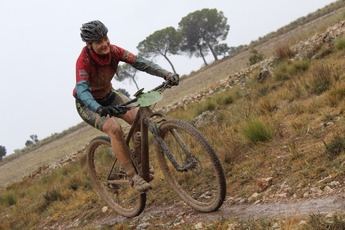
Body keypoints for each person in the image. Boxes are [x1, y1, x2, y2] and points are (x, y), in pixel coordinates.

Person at [73, 20, 179, 192]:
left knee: (140, 119)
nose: (105, 43)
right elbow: (82, 90)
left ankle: (137, 158)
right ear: (89, 45)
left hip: (109, 96)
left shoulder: (114, 51)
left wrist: (166, 74)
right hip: (88, 105)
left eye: (105, 38)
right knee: (114, 129)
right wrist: (98, 108)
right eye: (99, 42)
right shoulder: (83, 62)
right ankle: (132, 176)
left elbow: (140, 62)